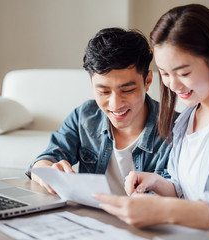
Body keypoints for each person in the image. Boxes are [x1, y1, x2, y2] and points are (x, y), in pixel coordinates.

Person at [93, 4, 209, 234]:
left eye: (184, 73)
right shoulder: (188, 117)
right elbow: (188, 191)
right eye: (164, 73)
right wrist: (159, 184)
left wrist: (166, 210)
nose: (173, 85)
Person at [26, 28, 177, 195]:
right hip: (89, 216)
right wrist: (47, 171)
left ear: (147, 81)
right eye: (104, 92)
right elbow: (44, 160)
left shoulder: (175, 129)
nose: (115, 104)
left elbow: (176, 196)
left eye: (127, 90)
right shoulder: (85, 116)